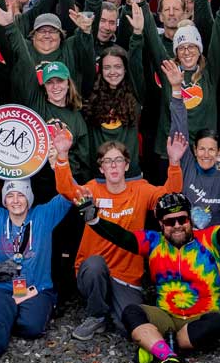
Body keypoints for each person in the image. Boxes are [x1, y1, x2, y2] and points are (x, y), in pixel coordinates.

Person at [80, 191, 220, 363]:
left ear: (190, 219)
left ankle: (157, 346)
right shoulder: (154, 242)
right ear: (161, 224)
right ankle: (169, 356)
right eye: (170, 222)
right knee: (131, 312)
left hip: (204, 316)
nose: (177, 226)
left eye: (182, 219)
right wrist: (94, 220)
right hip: (167, 317)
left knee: (217, 323)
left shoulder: (210, 238)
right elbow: (122, 237)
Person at [0, 136, 74, 363]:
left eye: (21, 194)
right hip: (3, 287)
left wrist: (58, 163)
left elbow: (70, 195)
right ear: (4, 199)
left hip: (38, 288)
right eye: (10, 195)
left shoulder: (42, 215)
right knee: (0, 316)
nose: (15, 200)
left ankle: (15, 319)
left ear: (29, 198)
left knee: (31, 326)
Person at [53, 136, 184, 340]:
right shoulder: (92, 190)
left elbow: (170, 197)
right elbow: (66, 190)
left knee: (128, 327)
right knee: (95, 266)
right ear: (101, 169)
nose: (113, 165)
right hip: (93, 271)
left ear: (127, 165)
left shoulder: (141, 190)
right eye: (107, 161)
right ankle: (96, 315)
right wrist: (62, 155)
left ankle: (110, 312)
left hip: (126, 276)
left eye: (118, 160)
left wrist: (174, 163)